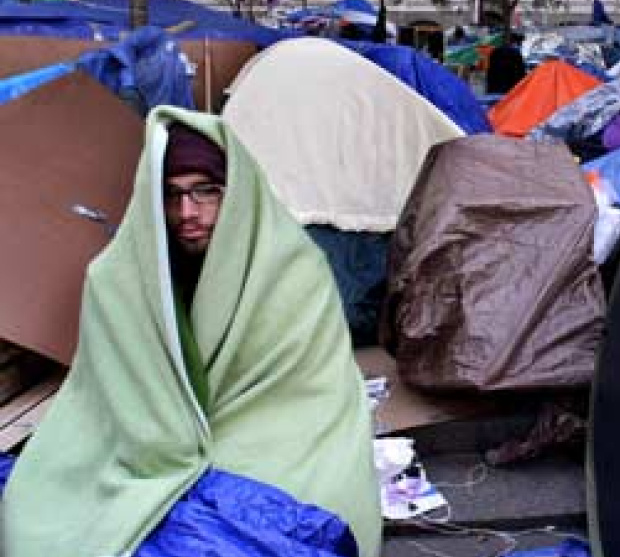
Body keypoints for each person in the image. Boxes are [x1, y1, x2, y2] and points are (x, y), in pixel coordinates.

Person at [3, 107, 382, 557]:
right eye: (172, 194)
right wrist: (167, 450)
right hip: (152, 449)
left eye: (206, 191)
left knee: (295, 524)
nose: (187, 212)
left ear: (236, 193)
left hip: (277, 445)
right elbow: (113, 403)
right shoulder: (118, 281)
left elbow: (304, 403)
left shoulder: (295, 273)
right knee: (42, 519)